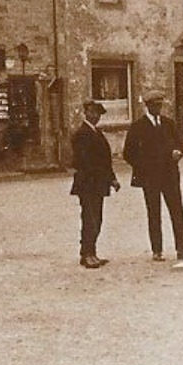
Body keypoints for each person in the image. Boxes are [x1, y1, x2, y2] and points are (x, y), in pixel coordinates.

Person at [122, 89, 183, 261]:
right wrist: (143, 167)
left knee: (177, 211)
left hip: (170, 176)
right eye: (154, 105)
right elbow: (128, 153)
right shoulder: (138, 127)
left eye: (160, 105)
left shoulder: (169, 124)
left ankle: (182, 248)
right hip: (150, 178)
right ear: (147, 106)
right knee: (154, 213)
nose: (158, 108)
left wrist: (178, 152)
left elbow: (180, 143)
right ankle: (157, 250)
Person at [70, 101, 120, 269]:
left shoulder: (97, 132)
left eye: (98, 113)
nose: (96, 116)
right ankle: (87, 254)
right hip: (88, 183)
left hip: (98, 183)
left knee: (97, 219)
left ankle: (92, 252)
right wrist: (100, 175)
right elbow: (81, 162)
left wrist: (112, 179)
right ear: (86, 113)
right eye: (93, 112)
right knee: (90, 218)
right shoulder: (81, 134)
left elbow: (105, 160)